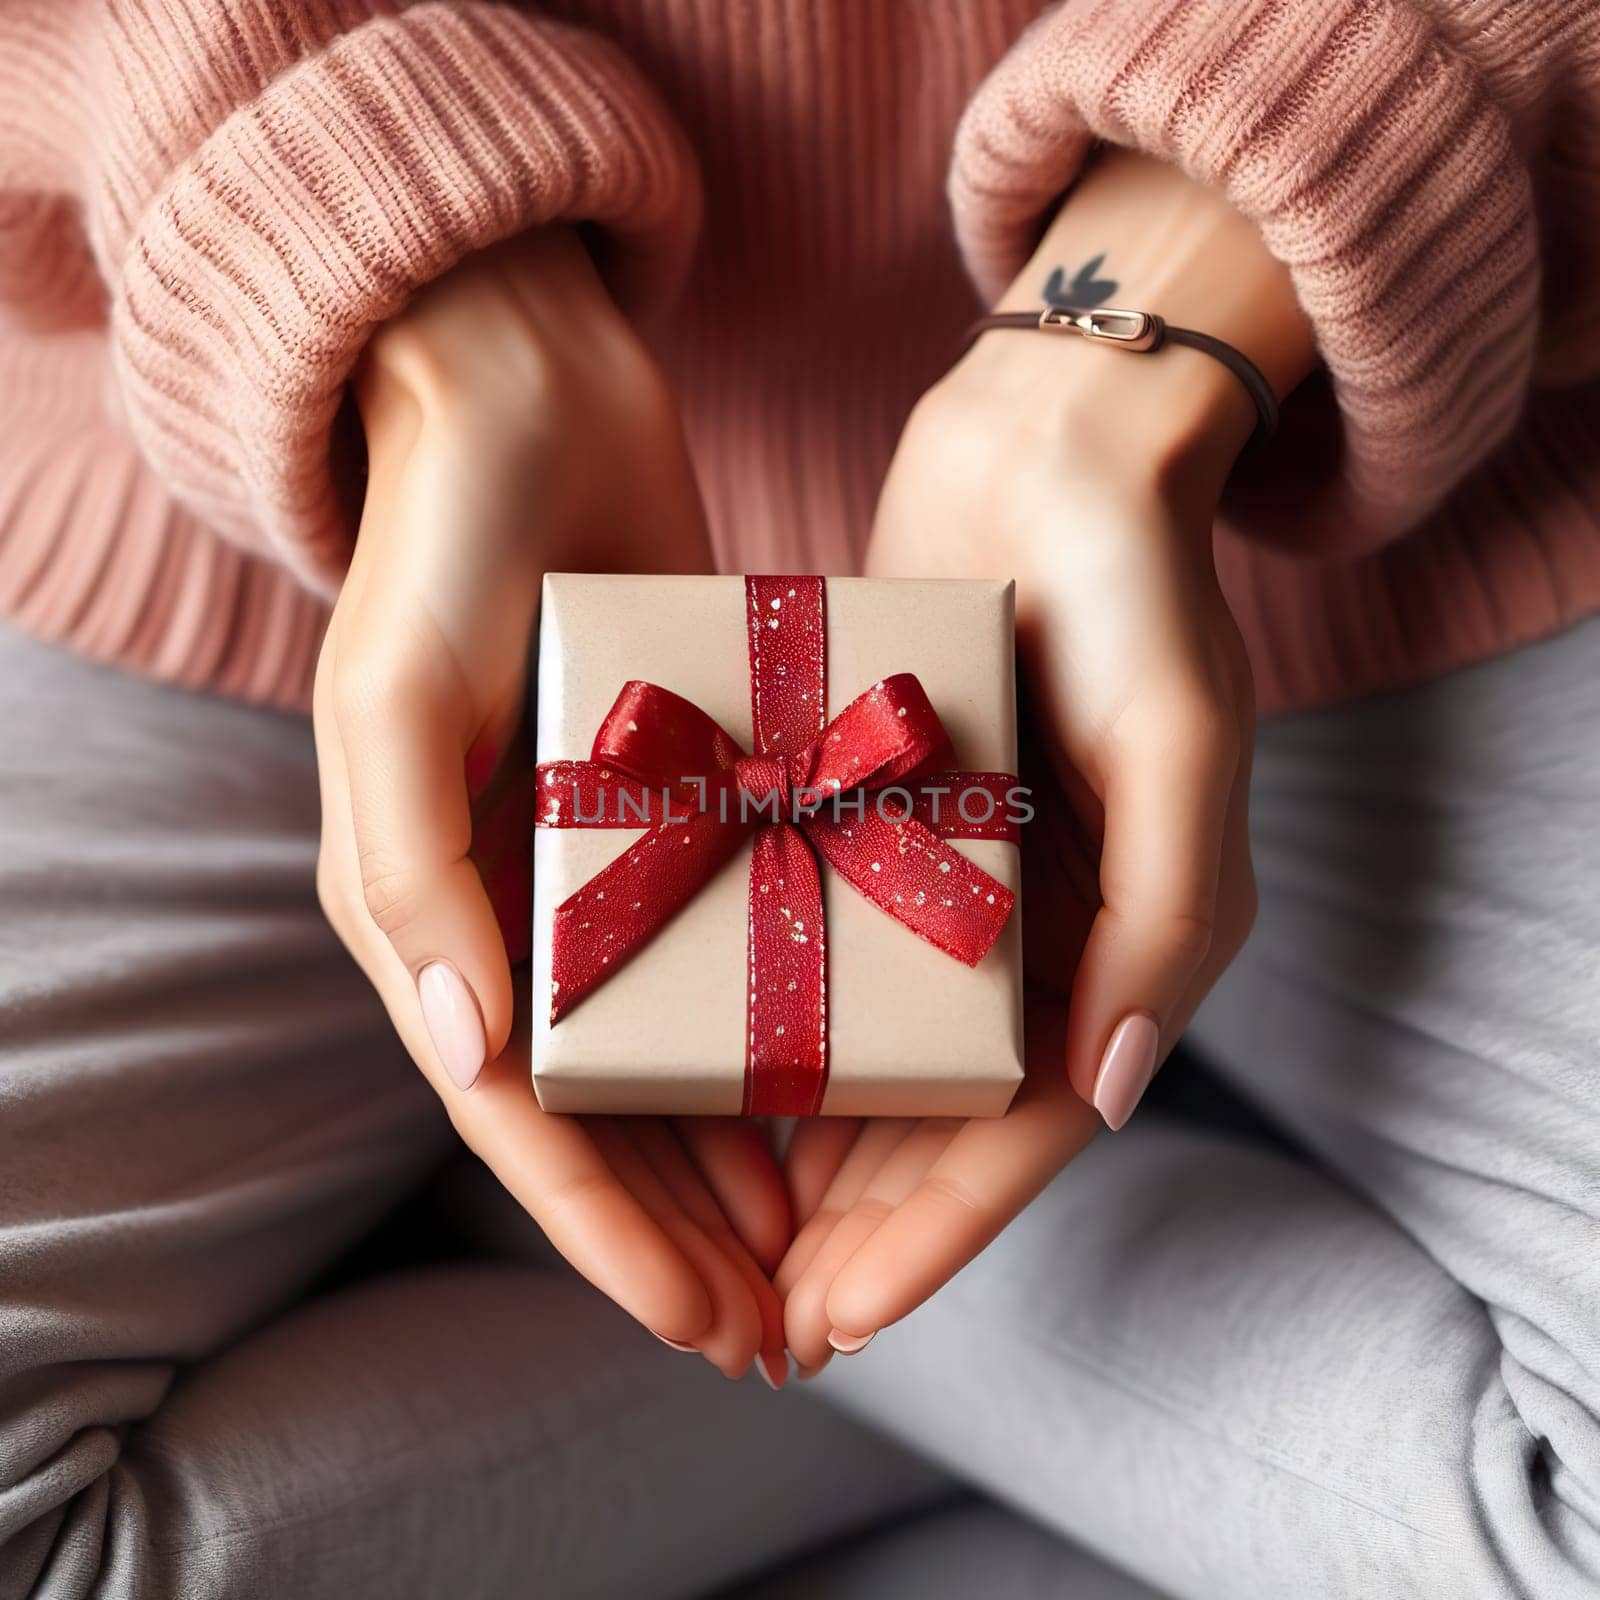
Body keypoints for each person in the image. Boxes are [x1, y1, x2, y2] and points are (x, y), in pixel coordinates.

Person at [2, 2, 1596, 1595]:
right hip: (281, 509)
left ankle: (774, 1300)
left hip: (1335, 470)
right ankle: (901, 1333)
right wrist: (434, 331)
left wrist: (1186, 281)